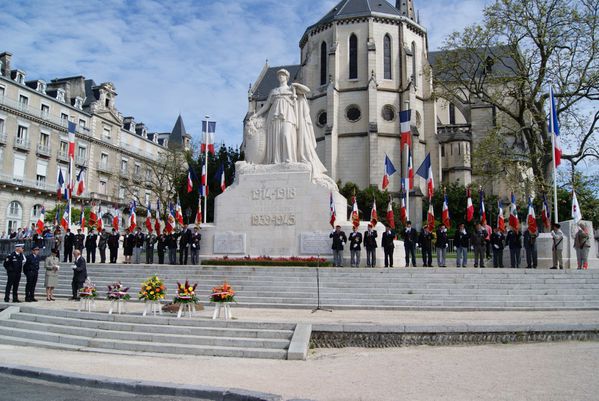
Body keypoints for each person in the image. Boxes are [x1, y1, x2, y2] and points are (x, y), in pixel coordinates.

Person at [249, 68, 327, 177]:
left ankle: (289, 160)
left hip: (288, 115)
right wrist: (256, 115)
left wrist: (296, 86)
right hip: (274, 116)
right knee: (276, 138)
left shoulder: (291, 89)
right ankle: (276, 161)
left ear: (287, 77)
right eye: (279, 75)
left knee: (286, 135)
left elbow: (307, 91)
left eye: (283, 75)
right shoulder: (274, 91)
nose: (281, 77)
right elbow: (266, 106)